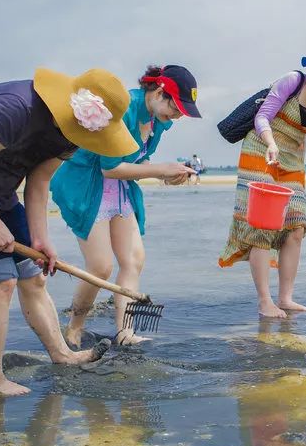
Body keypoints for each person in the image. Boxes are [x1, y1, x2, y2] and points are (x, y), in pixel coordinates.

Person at [0, 67, 138, 396]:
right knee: (1, 280)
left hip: (0, 190)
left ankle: (62, 354)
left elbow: (39, 182)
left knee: (34, 275)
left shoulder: (73, 135)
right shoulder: (14, 109)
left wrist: (40, 239)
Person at [51, 65, 199, 347]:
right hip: (86, 183)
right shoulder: (124, 108)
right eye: (176, 107)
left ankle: (125, 332)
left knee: (134, 260)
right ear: (158, 92)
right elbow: (110, 167)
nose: (178, 116)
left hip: (118, 187)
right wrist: (159, 170)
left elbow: (137, 161)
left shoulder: (158, 120)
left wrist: (169, 175)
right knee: (100, 266)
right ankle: (74, 328)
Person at [219, 45, 306, 318]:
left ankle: (285, 298)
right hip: (261, 149)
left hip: (293, 161)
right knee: (263, 224)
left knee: (296, 226)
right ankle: (265, 302)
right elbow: (262, 116)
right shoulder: (293, 82)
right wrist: (271, 142)